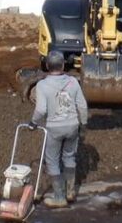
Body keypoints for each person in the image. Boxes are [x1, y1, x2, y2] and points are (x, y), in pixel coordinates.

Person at [30, 51, 89, 208]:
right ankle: (70, 192)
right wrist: (83, 124)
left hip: (54, 128)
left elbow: (41, 110)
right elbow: (82, 106)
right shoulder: (73, 82)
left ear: (47, 66)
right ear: (63, 65)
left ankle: (59, 197)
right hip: (72, 126)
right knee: (69, 157)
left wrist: (33, 122)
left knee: (52, 161)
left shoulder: (42, 85)